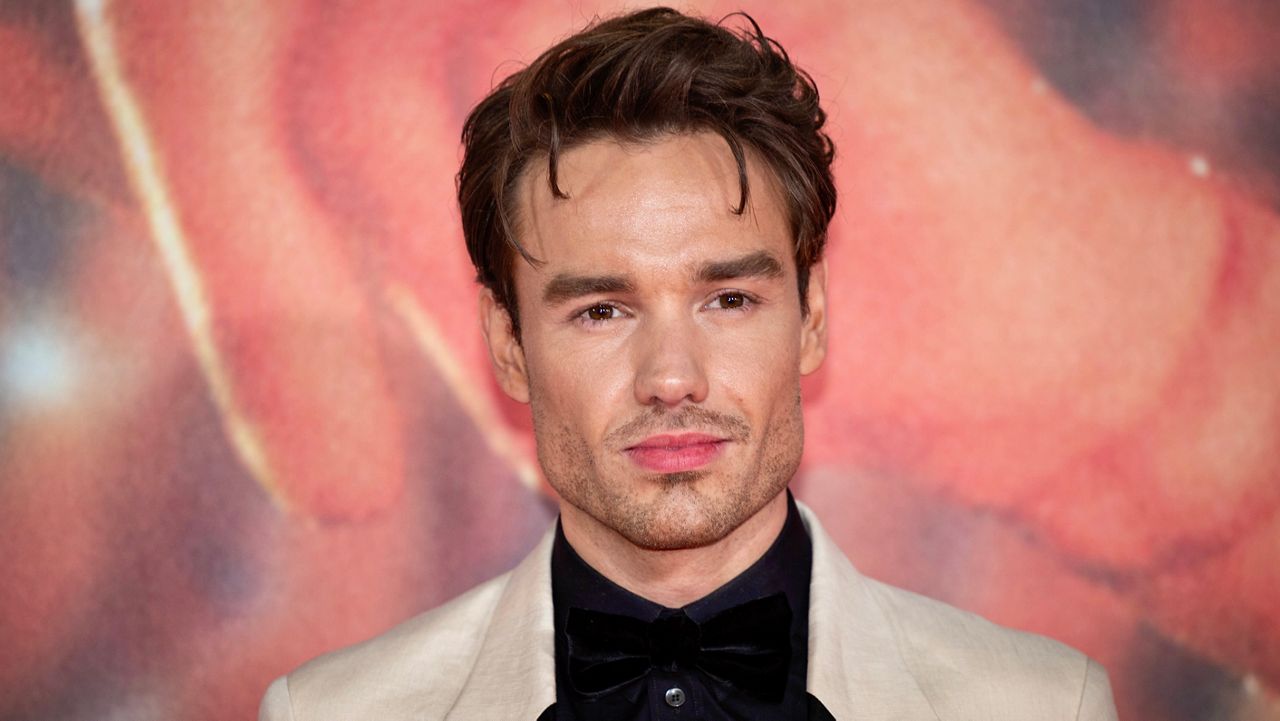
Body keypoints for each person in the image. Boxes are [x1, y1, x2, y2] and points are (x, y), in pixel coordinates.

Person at [259, 7, 1120, 720]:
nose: (671, 377)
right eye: (602, 310)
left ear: (811, 317)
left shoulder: (1044, 704)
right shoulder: (330, 712)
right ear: (508, 345)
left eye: (729, 299)